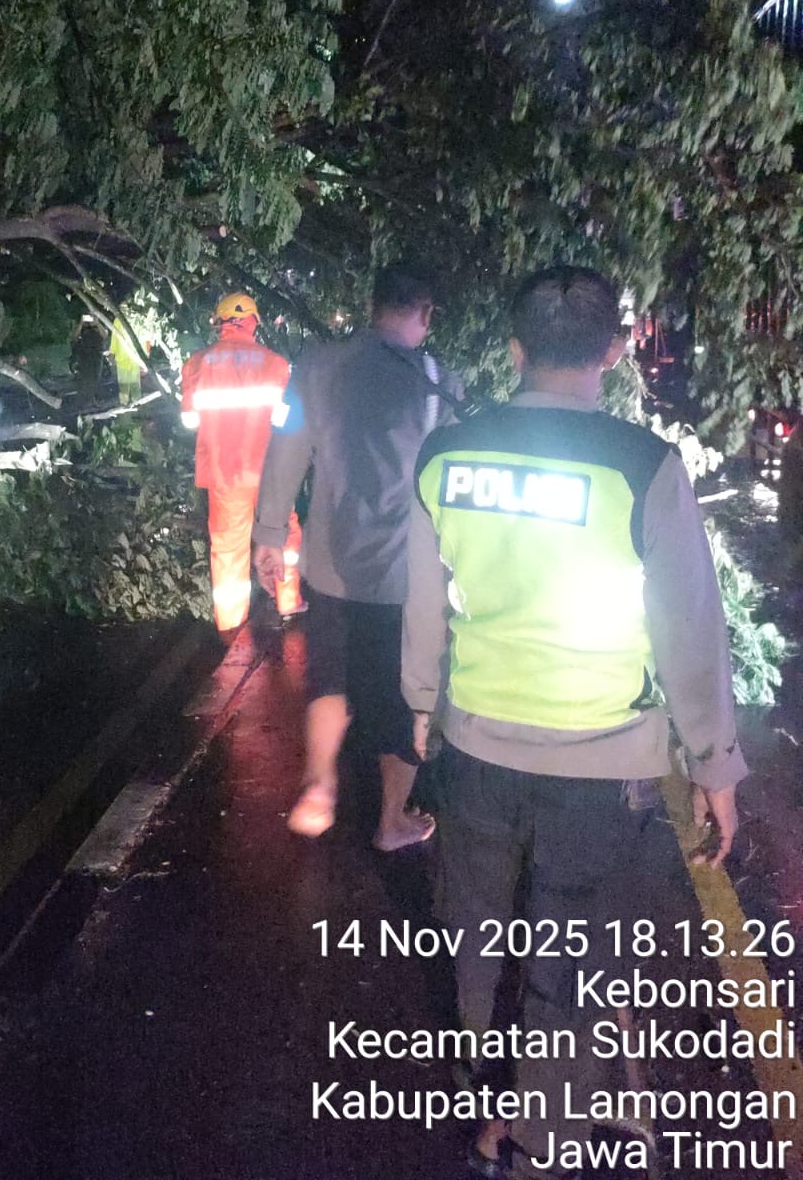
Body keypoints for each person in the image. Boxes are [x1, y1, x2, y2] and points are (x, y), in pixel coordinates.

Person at [402, 267, 745, 1180]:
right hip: (601, 762)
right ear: (616, 352)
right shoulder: (643, 466)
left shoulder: (447, 456)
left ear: (513, 351)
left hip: (475, 743)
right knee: (571, 957)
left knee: (480, 940)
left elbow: (425, 604)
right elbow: (689, 627)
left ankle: (493, 1114)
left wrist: (424, 714)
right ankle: (537, 1139)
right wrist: (715, 766)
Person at [253, 263, 459, 849]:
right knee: (406, 697)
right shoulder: (441, 382)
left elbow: (285, 448)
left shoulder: (316, 367)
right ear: (424, 313)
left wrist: (270, 533)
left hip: (331, 564)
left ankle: (319, 785)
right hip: (406, 575)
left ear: (373, 306)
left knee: (331, 677)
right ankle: (393, 819)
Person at [181, 293, 303, 633]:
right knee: (283, 533)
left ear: (219, 322)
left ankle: (231, 628)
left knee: (228, 551)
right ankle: (289, 601)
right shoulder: (276, 365)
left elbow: (190, 421)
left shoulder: (196, 363)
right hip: (268, 473)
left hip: (224, 475)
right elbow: (285, 424)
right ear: (253, 322)